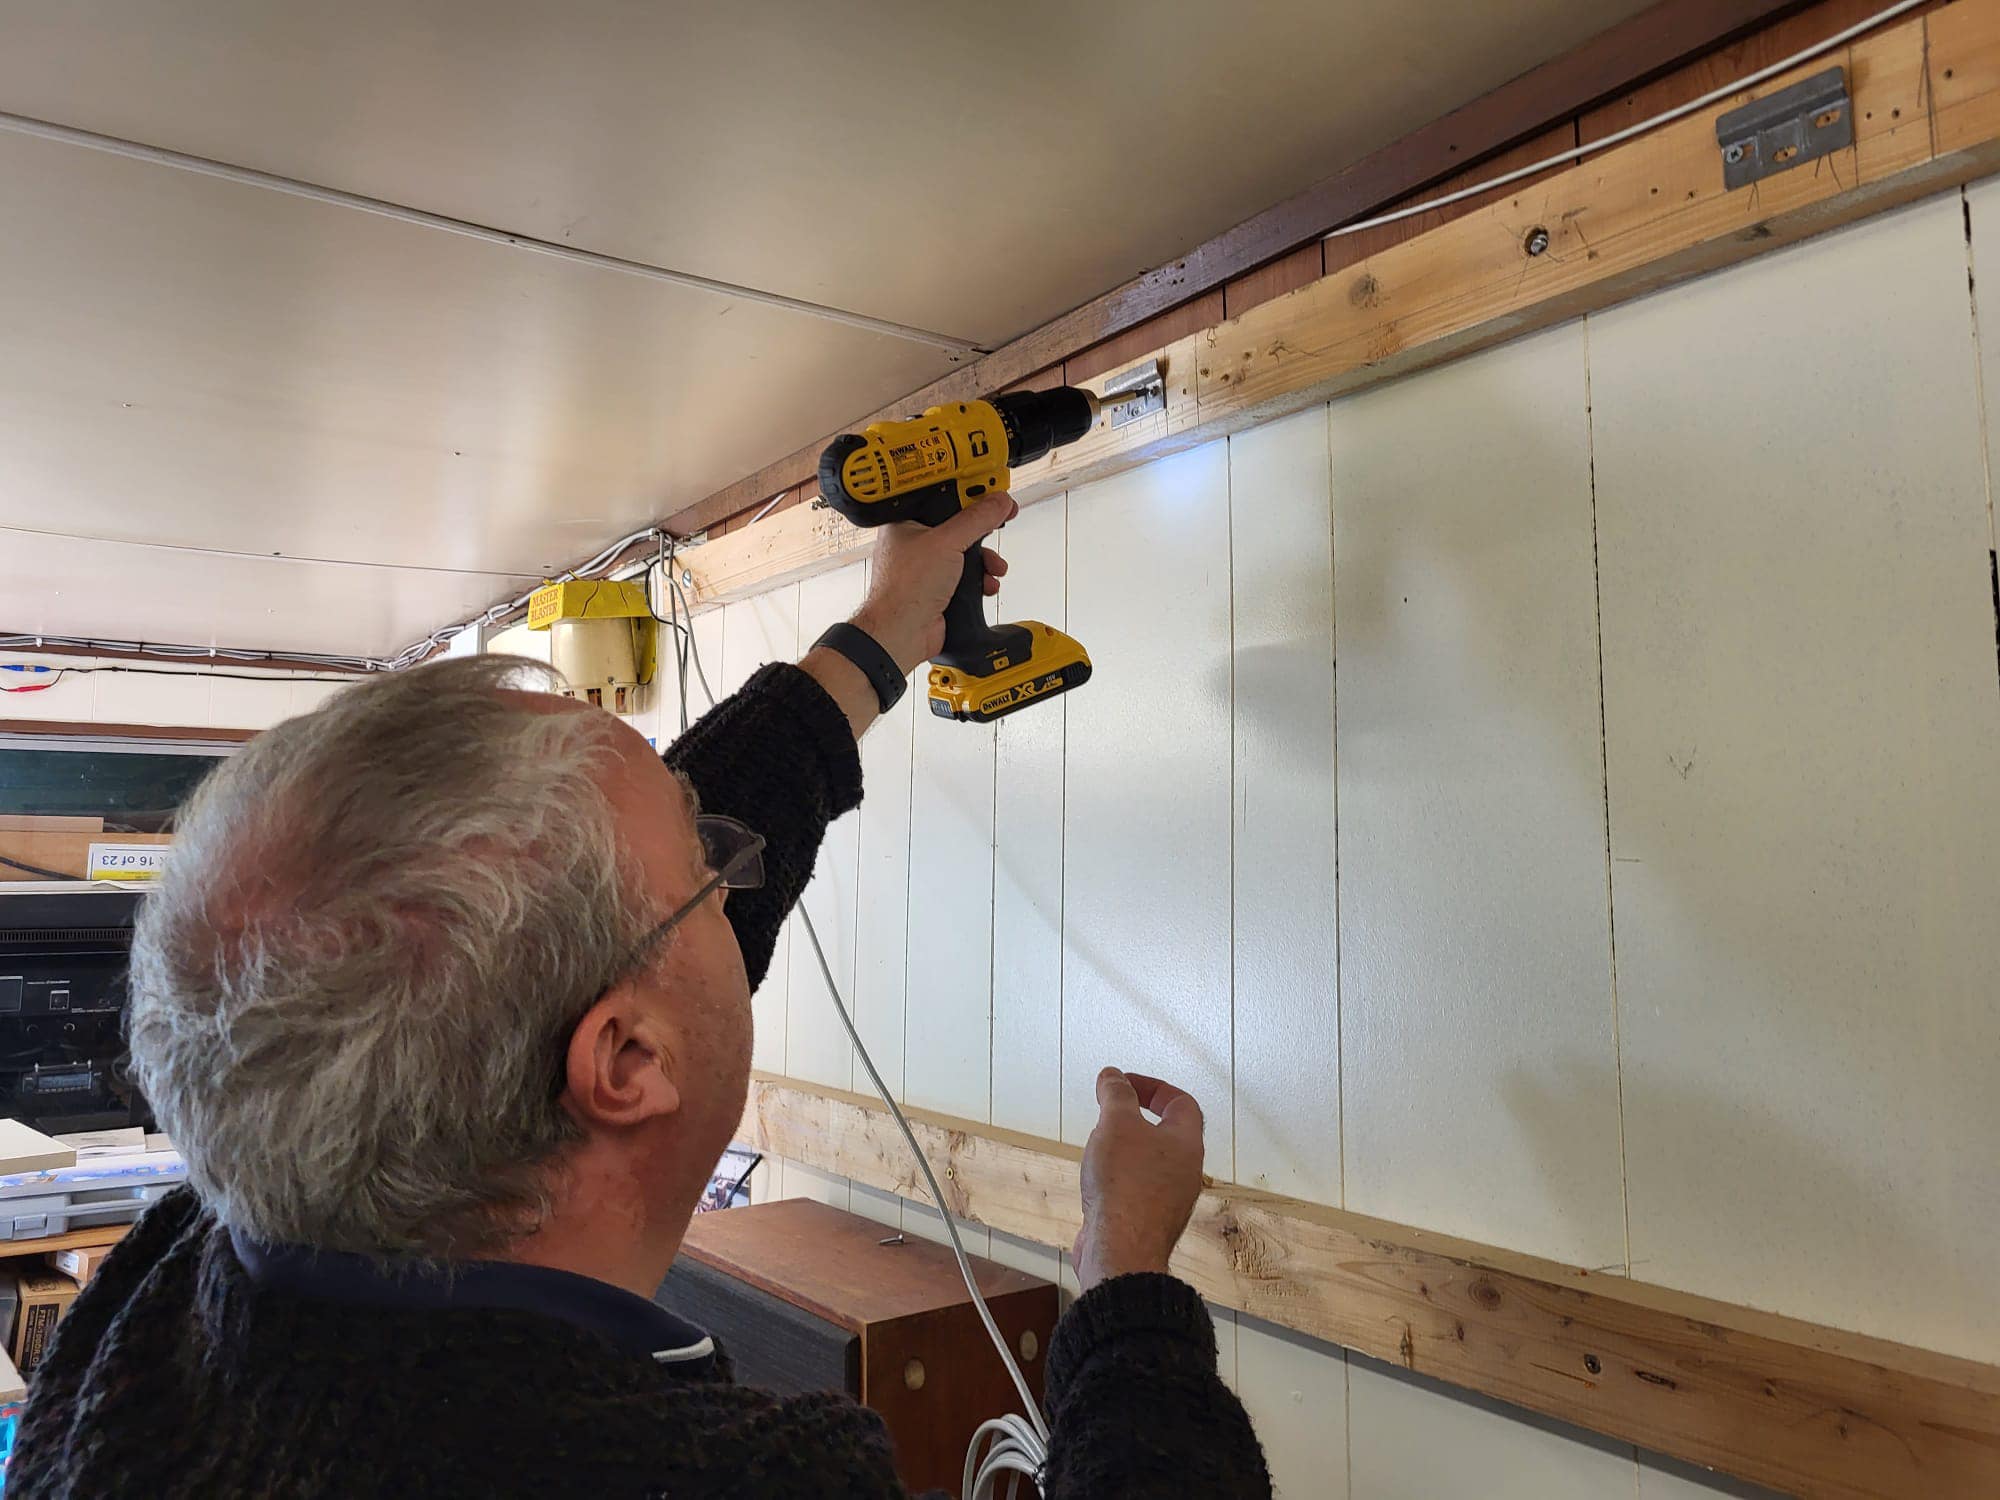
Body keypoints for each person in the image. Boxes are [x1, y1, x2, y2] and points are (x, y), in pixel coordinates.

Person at [11, 494, 1272, 1499]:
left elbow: (601, 920)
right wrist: (1126, 1286)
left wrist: (884, 632)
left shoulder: (177, 1287)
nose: (738, 869)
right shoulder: (714, 1481)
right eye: (710, 869)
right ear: (620, 1064)